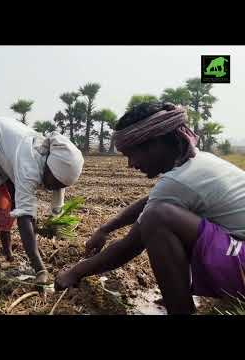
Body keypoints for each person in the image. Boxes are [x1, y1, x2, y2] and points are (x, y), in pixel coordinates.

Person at [55, 102, 245, 314]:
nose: (130, 164)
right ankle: (178, 293)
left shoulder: (178, 182)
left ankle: (180, 309)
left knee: (157, 218)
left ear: (155, 144)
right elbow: (150, 200)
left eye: (131, 154)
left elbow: (130, 246)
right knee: (160, 212)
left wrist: (75, 272)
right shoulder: (198, 162)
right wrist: (106, 229)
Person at [0, 117, 84, 285]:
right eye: (55, 184)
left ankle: (5, 253)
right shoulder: (29, 165)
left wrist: (52, 225)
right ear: (48, 168)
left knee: (13, 200)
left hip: (8, 147)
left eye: (61, 186)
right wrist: (40, 269)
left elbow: (56, 204)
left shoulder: (57, 168)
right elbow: (24, 216)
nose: (55, 188)